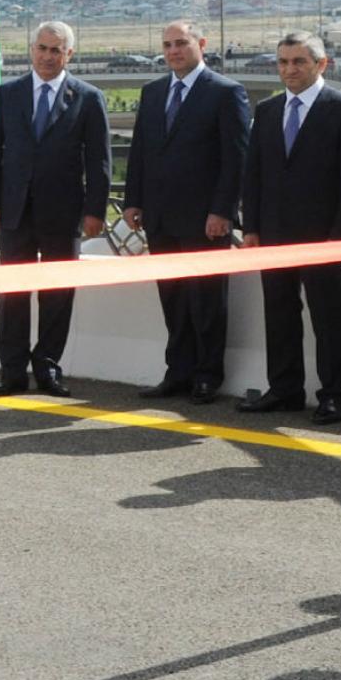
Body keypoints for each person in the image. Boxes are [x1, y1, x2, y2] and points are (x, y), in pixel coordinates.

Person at [239, 31, 341, 424]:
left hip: (325, 237)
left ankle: (333, 395)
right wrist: (252, 228)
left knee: (330, 318)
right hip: (275, 235)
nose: (289, 69)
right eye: (283, 62)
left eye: (298, 62)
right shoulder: (267, 111)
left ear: (321, 65)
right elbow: (256, 174)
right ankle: (284, 389)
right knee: (279, 313)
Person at [0, 21, 111, 397]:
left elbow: (99, 160)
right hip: (14, 212)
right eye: (42, 48)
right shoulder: (7, 94)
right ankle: (12, 372)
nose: (48, 56)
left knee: (57, 295)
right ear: (31, 49)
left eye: (57, 50)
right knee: (13, 294)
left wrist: (95, 211)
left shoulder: (87, 97)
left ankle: (48, 367)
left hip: (64, 214)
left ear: (69, 54)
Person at [122, 20, 249, 404]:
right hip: (160, 218)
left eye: (181, 43)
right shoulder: (154, 91)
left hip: (206, 220)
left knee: (207, 299)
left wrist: (223, 210)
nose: (174, 50)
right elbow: (141, 150)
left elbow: (236, 158)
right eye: (167, 45)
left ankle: (207, 376)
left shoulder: (226, 93)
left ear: (201, 44)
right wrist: (133, 200)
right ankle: (177, 373)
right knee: (173, 299)